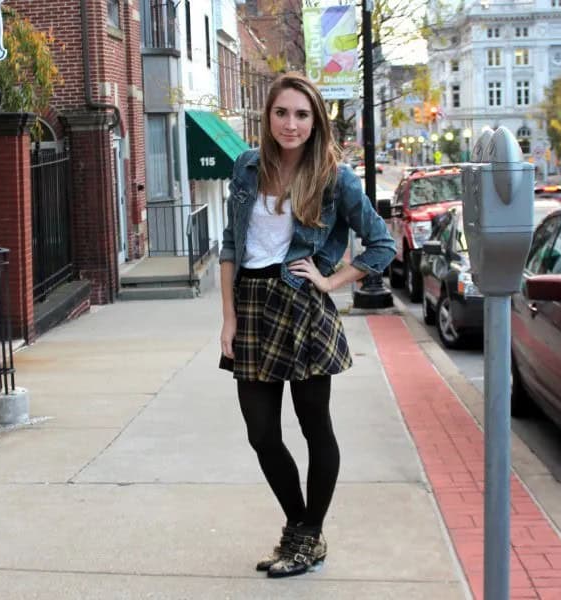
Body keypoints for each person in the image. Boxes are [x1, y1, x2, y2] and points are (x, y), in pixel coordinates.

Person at [219, 72, 396, 579]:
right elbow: (232, 248)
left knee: (315, 426)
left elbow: (381, 244)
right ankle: (302, 529)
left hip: (302, 308)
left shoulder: (335, 177)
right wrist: (227, 318)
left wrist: (330, 281)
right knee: (261, 433)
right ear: (268, 116)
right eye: (281, 113)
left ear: (315, 120)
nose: (290, 124)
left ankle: (305, 535)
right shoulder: (247, 167)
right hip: (251, 306)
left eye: (301, 114)